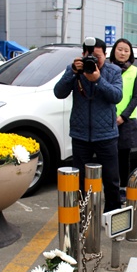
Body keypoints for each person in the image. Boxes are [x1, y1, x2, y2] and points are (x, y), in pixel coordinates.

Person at [54, 37, 123, 212]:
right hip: (80, 134)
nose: (93, 60)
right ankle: (85, 215)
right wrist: (72, 72)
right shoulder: (75, 71)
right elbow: (59, 93)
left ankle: (112, 215)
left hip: (106, 134)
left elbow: (117, 96)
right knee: (81, 180)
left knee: (111, 180)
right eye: (89, 56)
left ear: (105, 56)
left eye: (97, 57)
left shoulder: (113, 71)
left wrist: (98, 79)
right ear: (83, 55)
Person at [109, 38, 137, 202]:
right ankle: (110, 188)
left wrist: (123, 116)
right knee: (108, 156)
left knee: (123, 157)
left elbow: (136, 97)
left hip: (126, 121)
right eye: (120, 49)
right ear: (114, 50)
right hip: (107, 119)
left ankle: (122, 188)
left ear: (130, 53)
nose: (122, 53)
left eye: (126, 50)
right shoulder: (106, 68)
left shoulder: (135, 71)